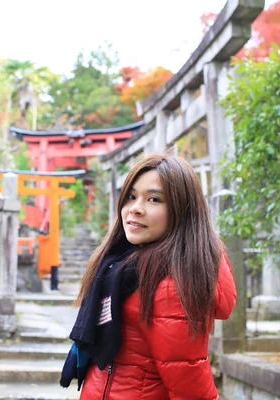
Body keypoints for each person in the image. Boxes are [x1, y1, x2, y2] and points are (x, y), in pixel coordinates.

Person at [60, 153, 237, 399]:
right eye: (131, 197)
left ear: (182, 211)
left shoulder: (171, 286)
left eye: (153, 199)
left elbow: (189, 385)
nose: (135, 209)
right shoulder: (121, 265)